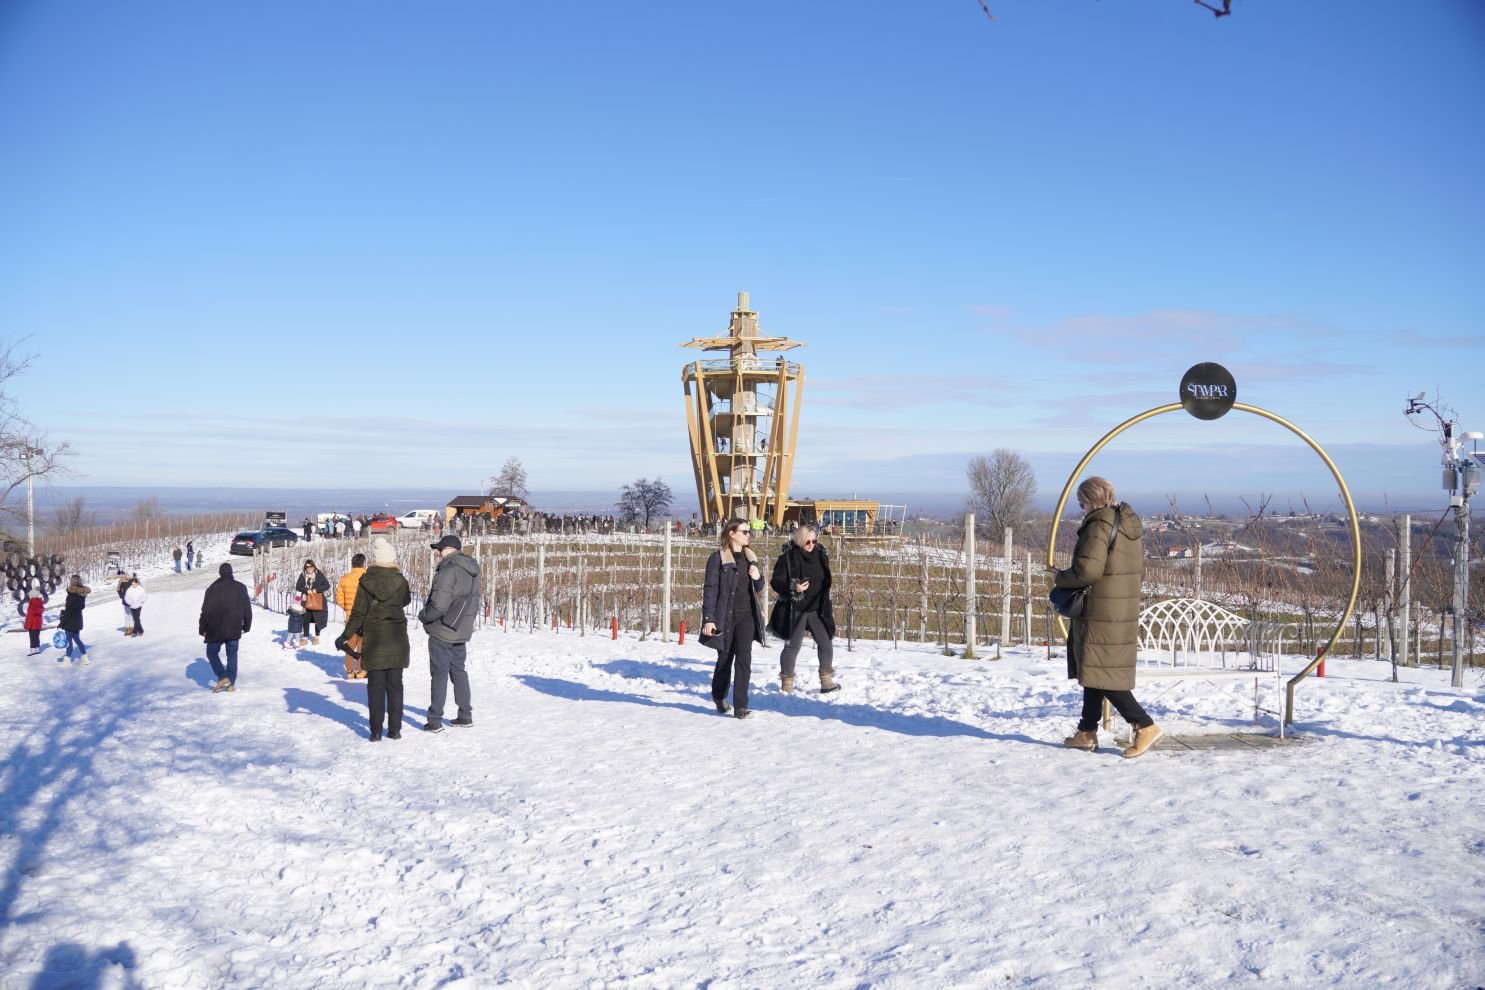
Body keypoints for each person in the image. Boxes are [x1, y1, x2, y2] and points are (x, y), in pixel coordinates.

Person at [1053, 476, 1162, 759]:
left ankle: (1145, 725)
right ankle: (1086, 731)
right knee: (1096, 666)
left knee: (1103, 673)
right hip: (1119, 607)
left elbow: (1088, 571)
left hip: (1100, 608)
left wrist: (1061, 577)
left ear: (1091, 500)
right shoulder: (1126, 524)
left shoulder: (1099, 525)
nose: (1082, 508)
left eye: (1081, 503)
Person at [340, 537, 412, 741]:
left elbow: (358, 613)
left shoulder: (365, 581)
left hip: (374, 639)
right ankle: (395, 729)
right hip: (397, 638)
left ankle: (375, 731)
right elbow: (406, 600)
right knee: (396, 686)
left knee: (375, 687)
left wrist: (345, 636)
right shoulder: (400, 580)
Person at [701, 519, 766, 718]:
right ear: (731, 533)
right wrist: (709, 619)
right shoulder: (718, 559)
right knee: (725, 659)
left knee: (744, 660)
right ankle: (719, 696)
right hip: (725, 617)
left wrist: (758, 578)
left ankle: (741, 707)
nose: (748, 535)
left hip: (747, 617)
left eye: (749, 531)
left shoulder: (750, 557)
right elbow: (710, 590)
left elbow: (758, 587)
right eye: (744, 531)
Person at [417, 534, 482, 732]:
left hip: (442, 630)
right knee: (459, 671)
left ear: (448, 550)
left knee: (439, 674)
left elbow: (439, 605)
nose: (438, 553)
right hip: (461, 627)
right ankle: (465, 715)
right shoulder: (472, 568)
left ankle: (434, 720)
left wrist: (424, 616)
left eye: (440, 549)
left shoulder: (448, 570)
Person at [769, 525, 839, 695]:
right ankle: (787, 683)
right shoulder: (788, 557)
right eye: (808, 541)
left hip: (817, 607)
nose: (811, 544)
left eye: (814, 541)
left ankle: (826, 681)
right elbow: (776, 582)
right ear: (800, 540)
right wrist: (794, 588)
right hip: (795, 608)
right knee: (792, 647)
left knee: (825, 642)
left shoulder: (821, 555)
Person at [200, 562, 252, 692]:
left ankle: (223, 677)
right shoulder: (241, 588)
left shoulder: (212, 589)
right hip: (234, 628)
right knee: (232, 655)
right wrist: (246, 626)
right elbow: (247, 609)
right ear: (231, 572)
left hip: (215, 629)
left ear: (220, 573)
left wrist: (202, 628)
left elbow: (205, 611)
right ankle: (231, 684)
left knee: (211, 652)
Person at [335, 552, 369, 678]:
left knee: (350, 644)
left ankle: (349, 671)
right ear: (364, 564)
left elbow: (339, 599)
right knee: (362, 645)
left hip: (351, 617)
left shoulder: (345, 579)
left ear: (352, 564)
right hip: (366, 617)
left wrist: (348, 608)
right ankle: (360, 670)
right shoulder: (368, 578)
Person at [295, 559, 331, 645]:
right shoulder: (303, 575)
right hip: (306, 600)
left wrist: (316, 590)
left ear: (314, 567)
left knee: (317, 618)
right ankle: (305, 637)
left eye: (311, 566)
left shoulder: (319, 575)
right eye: (307, 567)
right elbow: (298, 586)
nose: (309, 568)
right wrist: (306, 590)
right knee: (305, 618)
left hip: (317, 600)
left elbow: (327, 585)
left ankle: (316, 637)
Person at [58, 575, 90, 665]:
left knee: (69, 641)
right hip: (78, 620)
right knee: (77, 639)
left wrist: (62, 622)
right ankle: (85, 658)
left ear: (72, 582)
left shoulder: (71, 595)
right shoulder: (82, 594)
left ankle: (67, 660)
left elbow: (69, 611)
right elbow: (81, 607)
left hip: (70, 621)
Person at [24, 589, 44, 655]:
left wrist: (27, 625)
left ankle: (32, 649)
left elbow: (30, 616)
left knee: (32, 637)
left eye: (30, 595)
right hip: (38, 623)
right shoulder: (40, 602)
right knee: (37, 636)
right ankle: (37, 649)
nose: (29, 596)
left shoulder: (32, 603)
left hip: (32, 623)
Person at [116, 570, 134, 636]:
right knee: (127, 614)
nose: (127, 576)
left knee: (132, 614)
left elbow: (139, 588)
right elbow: (118, 589)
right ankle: (127, 628)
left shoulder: (133, 580)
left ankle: (132, 628)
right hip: (125, 600)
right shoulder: (122, 580)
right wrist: (122, 596)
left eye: (129, 575)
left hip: (133, 600)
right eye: (127, 574)